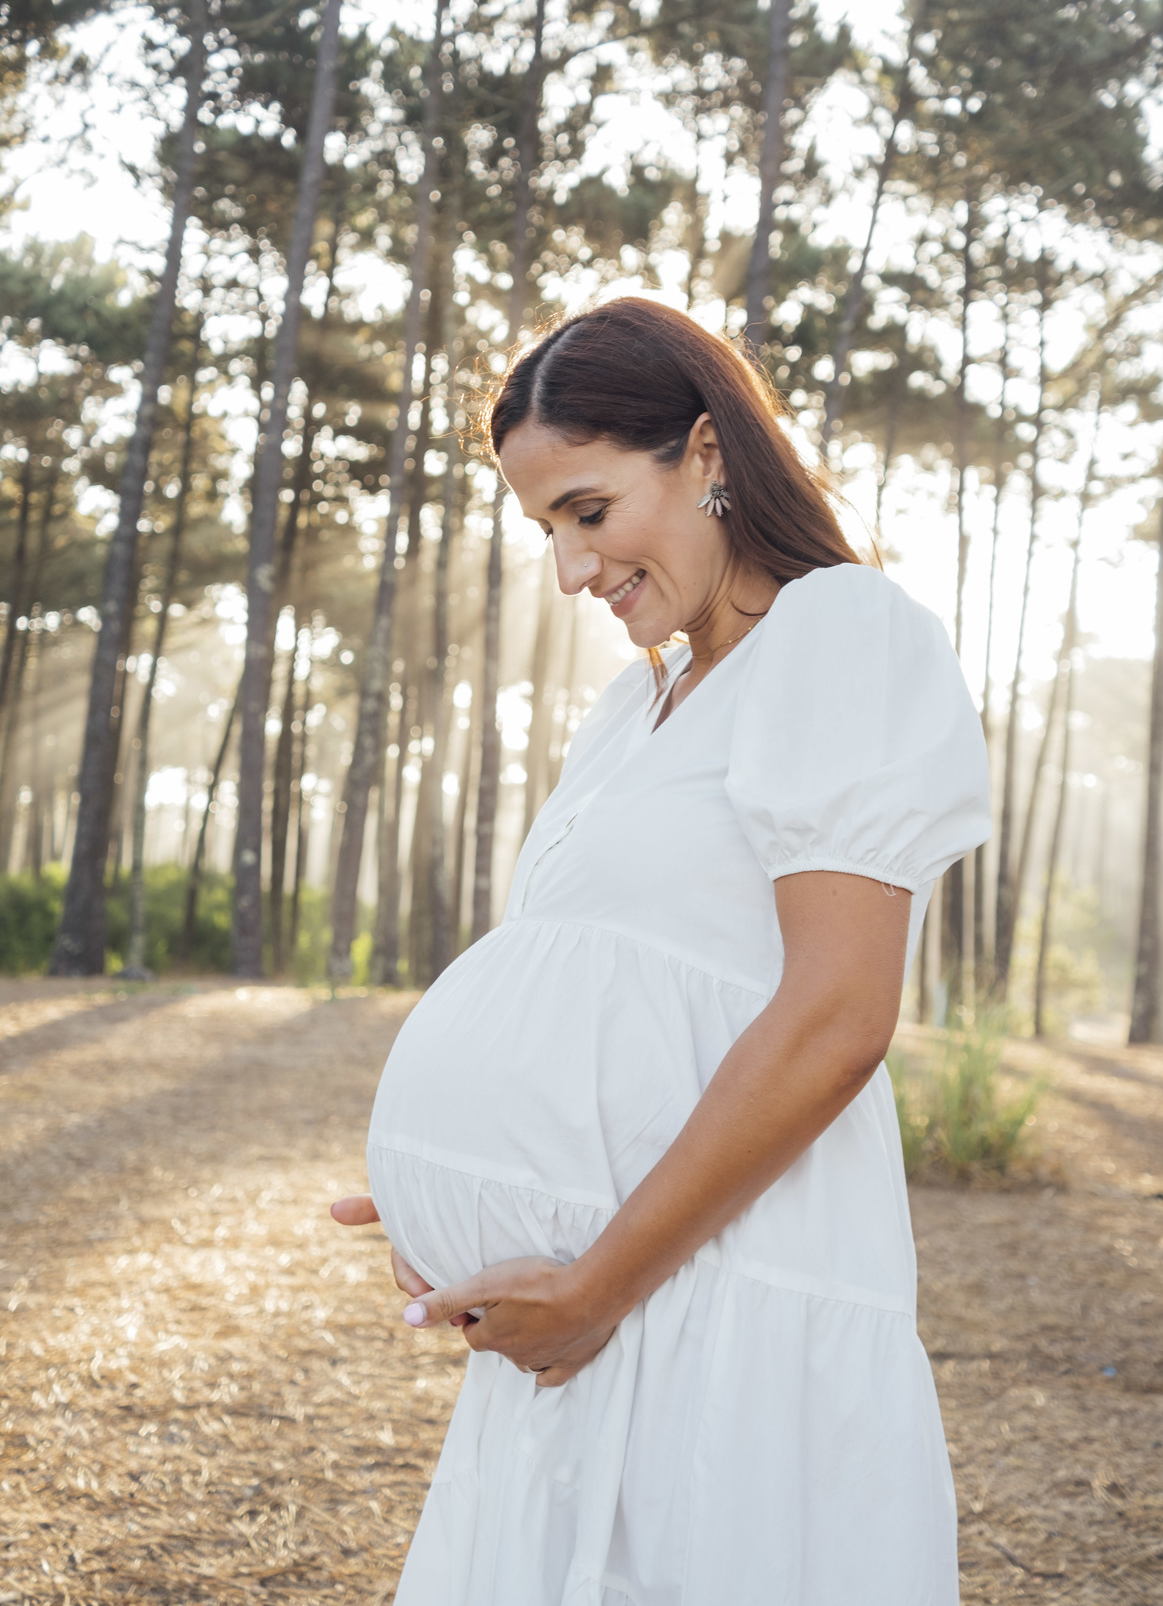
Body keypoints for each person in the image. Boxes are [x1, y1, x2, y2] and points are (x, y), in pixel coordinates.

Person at [332, 295, 991, 1606]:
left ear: (706, 451)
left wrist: (594, 1283)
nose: (572, 571)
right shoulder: (631, 709)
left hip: (716, 1307)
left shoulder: (840, 634)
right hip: (599, 1328)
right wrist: (472, 1190)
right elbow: (611, 991)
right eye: (547, 532)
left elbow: (838, 1016)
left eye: (589, 510)